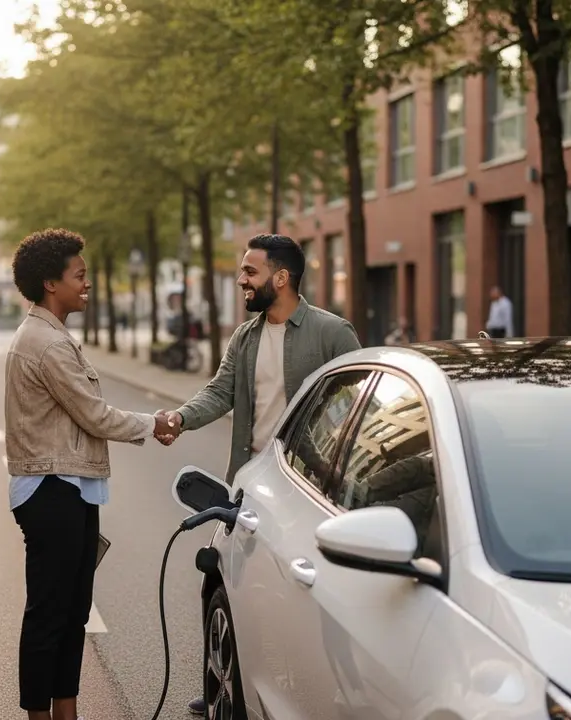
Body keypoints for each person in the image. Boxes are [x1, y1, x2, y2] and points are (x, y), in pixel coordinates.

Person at [154, 233, 361, 716]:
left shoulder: (332, 332)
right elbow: (219, 391)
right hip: (249, 485)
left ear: (281, 278)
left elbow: (354, 410)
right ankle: (220, 682)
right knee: (225, 579)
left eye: (250, 272)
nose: (242, 280)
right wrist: (180, 419)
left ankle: (324, 690)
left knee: (305, 594)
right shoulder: (245, 338)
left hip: (310, 489)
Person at [4, 228, 176, 720]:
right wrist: (154, 423)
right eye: (79, 275)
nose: (88, 283)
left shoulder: (53, 336)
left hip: (70, 488)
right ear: (49, 283)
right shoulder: (46, 344)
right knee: (49, 617)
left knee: (73, 614)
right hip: (51, 490)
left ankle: (67, 711)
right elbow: (95, 415)